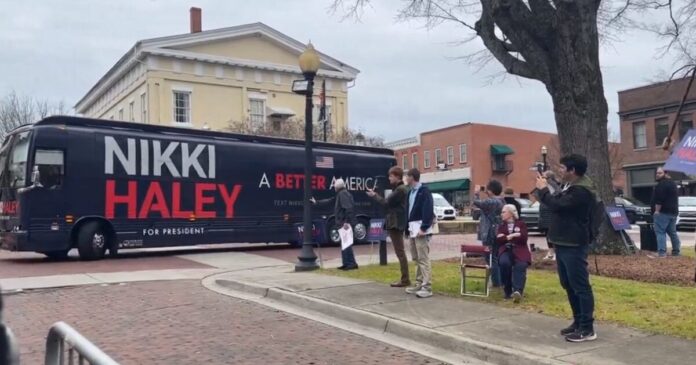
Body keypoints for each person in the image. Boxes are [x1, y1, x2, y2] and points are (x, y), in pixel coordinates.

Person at [535, 154, 597, 343]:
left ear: (572, 171)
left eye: (563, 168)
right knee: (568, 284)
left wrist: (543, 190)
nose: (560, 170)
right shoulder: (571, 186)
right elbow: (560, 196)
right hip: (563, 242)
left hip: (574, 244)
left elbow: (558, 205)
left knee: (580, 286)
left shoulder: (582, 191)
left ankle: (587, 328)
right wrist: (550, 181)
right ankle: (578, 321)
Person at [367, 166, 410, 287]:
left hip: (395, 223)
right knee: (400, 252)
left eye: (391, 176)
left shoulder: (399, 190)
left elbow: (386, 202)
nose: (389, 178)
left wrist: (374, 195)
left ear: (397, 176)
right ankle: (405, 278)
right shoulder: (400, 189)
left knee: (400, 252)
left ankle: (405, 279)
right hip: (396, 222)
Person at [311, 178, 358, 270]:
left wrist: (346, 222)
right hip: (343, 223)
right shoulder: (341, 194)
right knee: (345, 243)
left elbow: (349, 209)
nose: (334, 188)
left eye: (334, 186)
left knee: (346, 244)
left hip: (344, 224)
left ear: (337, 186)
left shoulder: (343, 194)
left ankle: (351, 264)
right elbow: (330, 201)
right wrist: (317, 202)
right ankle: (347, 263)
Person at [404, 168, 435, 299]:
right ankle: (419, 282)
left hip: (420, 228)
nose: (405, 179)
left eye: (407, 176)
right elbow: (409, 211)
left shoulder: (424, 191)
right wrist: (407, 228)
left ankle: (427, 286)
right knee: (416, 257)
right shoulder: (410, 192)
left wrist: (424, 227)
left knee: (423, 258)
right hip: (412, 228)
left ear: (412, 177)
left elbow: (428, 210)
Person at [496, 204, 531, 303]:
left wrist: (506, 236)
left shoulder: (521, 224)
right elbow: (499, 239)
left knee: (520, 265)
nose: (501, 214)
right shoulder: (501, 226)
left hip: (520, 250)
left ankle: (517, 291)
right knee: (504, 263)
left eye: (503, 212)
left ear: (511, 213)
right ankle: (507, 291)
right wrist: (512, 236)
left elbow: (523, 238)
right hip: (506, 250)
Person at [473, 180, 505, 287]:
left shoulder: (494, 202)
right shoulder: (501, 201)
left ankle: (496, 282)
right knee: (495, 257)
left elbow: (478, 203)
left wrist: (476, 193)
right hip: (495, 232)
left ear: (491, 190)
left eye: (487, 189)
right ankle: (499, 280)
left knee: (491, 258)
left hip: (489, 234)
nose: (486, 191)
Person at [650, 167, 681, 258]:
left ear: (666, 174)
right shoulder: (673, 184)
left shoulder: (661, 185)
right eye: (657, 173)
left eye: (660, 173)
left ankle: (661, 253)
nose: (657, 175)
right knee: (672, 232)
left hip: (662, 213)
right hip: (673, 212)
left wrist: (656, 211)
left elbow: (659, 200)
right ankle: (676, 252)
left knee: (660, 232)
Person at [538, 170, 561, 261]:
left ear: (549, 178)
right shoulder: (544, 187)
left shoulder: (554, 187)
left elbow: (554, 199)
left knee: (553, 233)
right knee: (547, 234)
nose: (542, 179)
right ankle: (550, 252)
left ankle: (556, 252)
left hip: (551, 214)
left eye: (544, 177)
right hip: (545, 215)